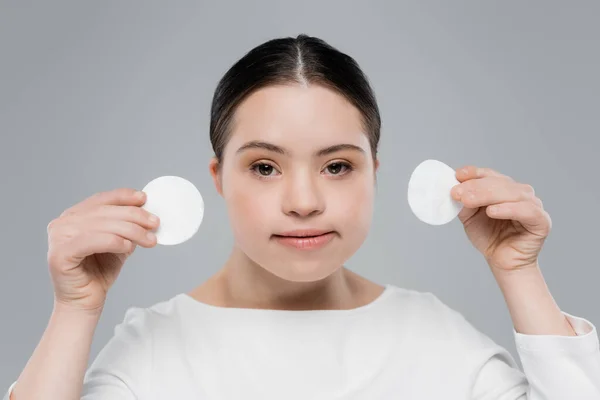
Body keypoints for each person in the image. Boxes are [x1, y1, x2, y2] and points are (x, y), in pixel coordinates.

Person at [5, 34, 600, 400]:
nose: (303, 201)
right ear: (218, 179)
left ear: (374, 171)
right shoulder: (155, 348)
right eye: (265, 167)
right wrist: (74, 310)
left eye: (337, 166)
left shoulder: (434, 337)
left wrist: (519, 272)